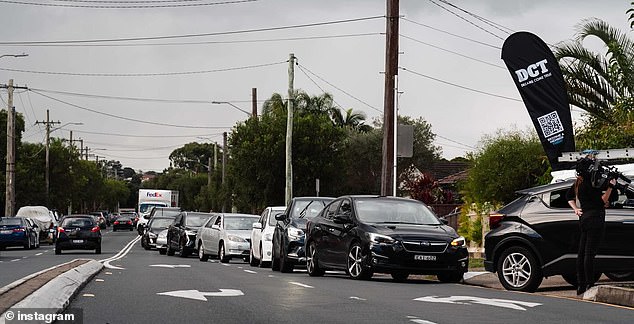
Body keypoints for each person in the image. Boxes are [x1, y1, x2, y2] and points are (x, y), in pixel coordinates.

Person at [566, 155, 616, 295]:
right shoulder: (592, 182)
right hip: (596, 219)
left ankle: (581, 285)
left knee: (581, 253)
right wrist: (610, 187)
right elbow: (601, 201)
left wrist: (576, 209)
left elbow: (568, 196)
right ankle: (589, 283)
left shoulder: (579, 183)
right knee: (589, 254)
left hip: (584, 219)